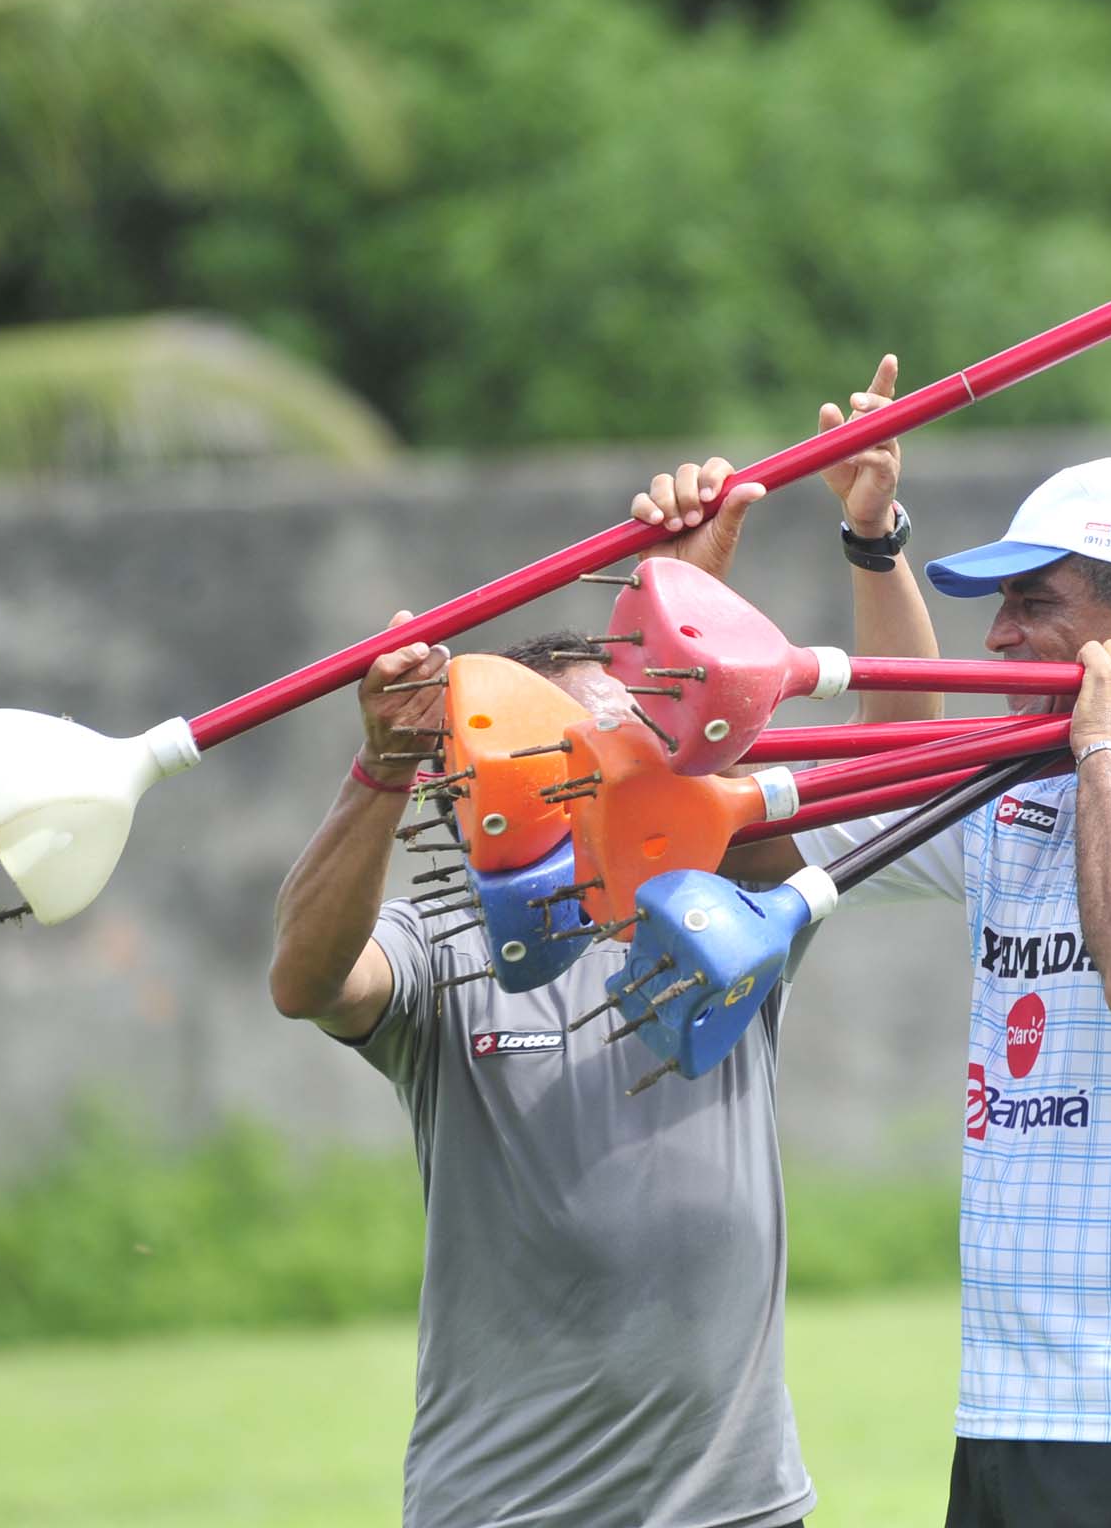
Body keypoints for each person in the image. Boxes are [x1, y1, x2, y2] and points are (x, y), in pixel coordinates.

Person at [268, 357, 933, 1528]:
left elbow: (900, 761)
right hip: (505, 1506)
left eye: (641, 741)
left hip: (738, 1504)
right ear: (502, 777)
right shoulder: (442, 944)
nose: (629, 771)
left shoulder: (723, 891)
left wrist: (863, 543)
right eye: (582, 750)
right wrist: (381, 767)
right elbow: (307, 978)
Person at [711, 453, 1111, 1528]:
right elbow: (744, 837)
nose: (998, 637)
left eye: (1032, 604)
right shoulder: (1016, 786)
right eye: (1000, 606)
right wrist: (745, 570)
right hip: (1007, 1414)